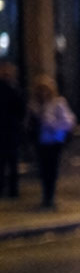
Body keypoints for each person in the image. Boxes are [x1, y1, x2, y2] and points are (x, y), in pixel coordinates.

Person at [29, 75, 75, 209]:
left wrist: (52, 124)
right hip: (40, 141)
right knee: (43, 169)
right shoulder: (33, 105)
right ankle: (45, 196)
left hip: (55, 140)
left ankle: (51, 196)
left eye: (45, 90)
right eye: (40, 90)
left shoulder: (58, 103)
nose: (43, 93)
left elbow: (69, 121)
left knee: (52, 168)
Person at [0, 63, 23, 199]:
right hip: (8, 131)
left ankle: (11, 189)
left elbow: (20, 109)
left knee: (10, 162)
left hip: (11, 131)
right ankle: (11, 190)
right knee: (7, 162)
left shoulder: (14, 89)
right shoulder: (11, 89)